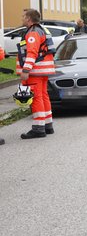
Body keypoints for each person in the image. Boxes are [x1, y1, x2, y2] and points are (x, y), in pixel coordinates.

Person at [16, 9, 56, 139]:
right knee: (44, 96)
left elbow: (31, 52)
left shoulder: (33, 32)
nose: (22, 18)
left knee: (36, 98)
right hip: (43, 70)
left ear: (29, 18)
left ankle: (38, 128)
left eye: (23, 16)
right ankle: (48, 125)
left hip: (35, 71)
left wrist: (26, 70)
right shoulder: (41, 29)